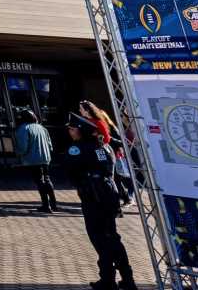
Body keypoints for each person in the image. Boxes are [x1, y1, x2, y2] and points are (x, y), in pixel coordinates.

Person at [62, 113, 137, 290]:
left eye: (72, 128)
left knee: (99, 238)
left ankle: (109, 280)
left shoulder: (77, 148)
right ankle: (125, 278)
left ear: (81, 130)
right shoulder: (104, 146)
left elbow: (70, 172)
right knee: (112, 236)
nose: (70, 132)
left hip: (93, 196)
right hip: (109, 194)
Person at [81, 100, 134, 204]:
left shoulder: (100, 122)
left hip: (108, 153)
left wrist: (97, 137)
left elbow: (107, 139)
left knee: (112, 178)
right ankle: (118, 199)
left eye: (81, 109)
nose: (80, 111)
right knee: (112, 179)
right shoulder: (90, 121)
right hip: (100, 153)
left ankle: (120, 201)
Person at [15, 108, 58, 213]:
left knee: (40, 181)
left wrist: (19, 154)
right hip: (46, 157)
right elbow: (50, 145)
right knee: (47, 179)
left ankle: (46, 205)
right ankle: (54, 204)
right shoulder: (42, 128)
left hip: (33, 159)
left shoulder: (23, 128)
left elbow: (23, 146)